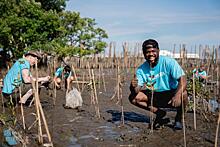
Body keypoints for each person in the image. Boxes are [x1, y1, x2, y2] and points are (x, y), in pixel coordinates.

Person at [129, 39, 188, 130]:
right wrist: (133, 86)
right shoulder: (141, 69)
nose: (151, 54)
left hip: (171, 94)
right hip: (155, 95)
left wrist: (177, 95)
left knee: (183, 94)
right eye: (147, 52)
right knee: (133, 97)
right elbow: (137, 89)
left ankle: (178, 119)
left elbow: (183, 79)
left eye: (153, 51)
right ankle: (159, 113)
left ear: (158, 51)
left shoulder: (169, 62)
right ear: (144, 54)